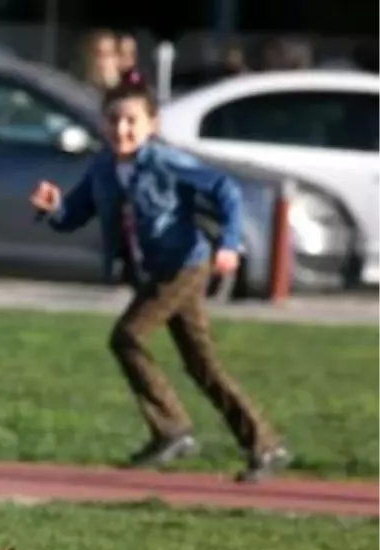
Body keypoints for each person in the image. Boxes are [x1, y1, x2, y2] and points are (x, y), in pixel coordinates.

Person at [27, 73, 291, 483]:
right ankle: (265, 445)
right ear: (102, 124)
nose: (122, 129)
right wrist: (52, 207)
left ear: (152, 126)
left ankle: (173, 430)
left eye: (132, 121)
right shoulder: (103, 168)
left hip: (186, 263)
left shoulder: (165, 161)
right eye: (113, 120)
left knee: (128, 336)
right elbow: (73, 216)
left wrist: (230, 242)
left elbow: (226, 189)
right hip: (152, 272)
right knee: (201, 363)